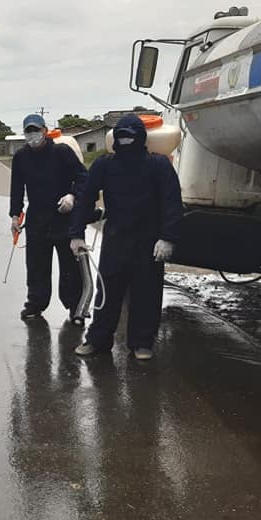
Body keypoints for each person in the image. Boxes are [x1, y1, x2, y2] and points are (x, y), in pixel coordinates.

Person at [69, 114, 183, 361]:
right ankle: (97, 340)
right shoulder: (105, 165)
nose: (125, 141)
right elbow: (86, 198)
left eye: (130, 137)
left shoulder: (158, 165)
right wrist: (76, 234)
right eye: (121, 137)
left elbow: (172, 202)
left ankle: (142, 343)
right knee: (107, 292)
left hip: (149, 241)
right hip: (116, 239)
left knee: (146, 293)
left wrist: (168, 237)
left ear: (141, 137)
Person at [9, 112, 88, 323]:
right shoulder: (21, 157)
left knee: (70, 267)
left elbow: (83, 179)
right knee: (36, 266)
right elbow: (16, 188)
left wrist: (72, 196)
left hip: (63, 216)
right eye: (28, 131)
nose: (32, 135)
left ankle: (75, 306)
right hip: (37, 218)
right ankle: (35, 303)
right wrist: (15, 215)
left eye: (36, 130)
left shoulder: (61, 152)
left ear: (45, 130)